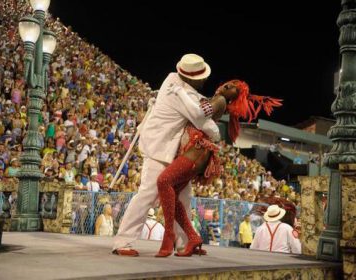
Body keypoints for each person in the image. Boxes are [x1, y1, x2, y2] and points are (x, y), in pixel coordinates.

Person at [155, 79, 282, 257]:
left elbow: (199, 114)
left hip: (196, 150)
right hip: (196, 151)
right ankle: (192, 237)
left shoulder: (220, 101)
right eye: (230, 84)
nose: (228, 87)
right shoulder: (214, 98)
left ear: (233, 98)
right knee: (171, 197)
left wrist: (179, 92)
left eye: (234, 90)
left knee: (163, 180)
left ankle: (169, 235)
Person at [112, 54, 221, 256]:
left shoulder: (172, 79)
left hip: (170, 151)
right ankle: (122, 242)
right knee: (148, 193)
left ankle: (184, 243)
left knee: (184, 196)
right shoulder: (181, 91)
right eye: (201, 77)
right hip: (158, 148)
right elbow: (201, 120)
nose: (204, 80)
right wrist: (217, 133)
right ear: (194, 78)